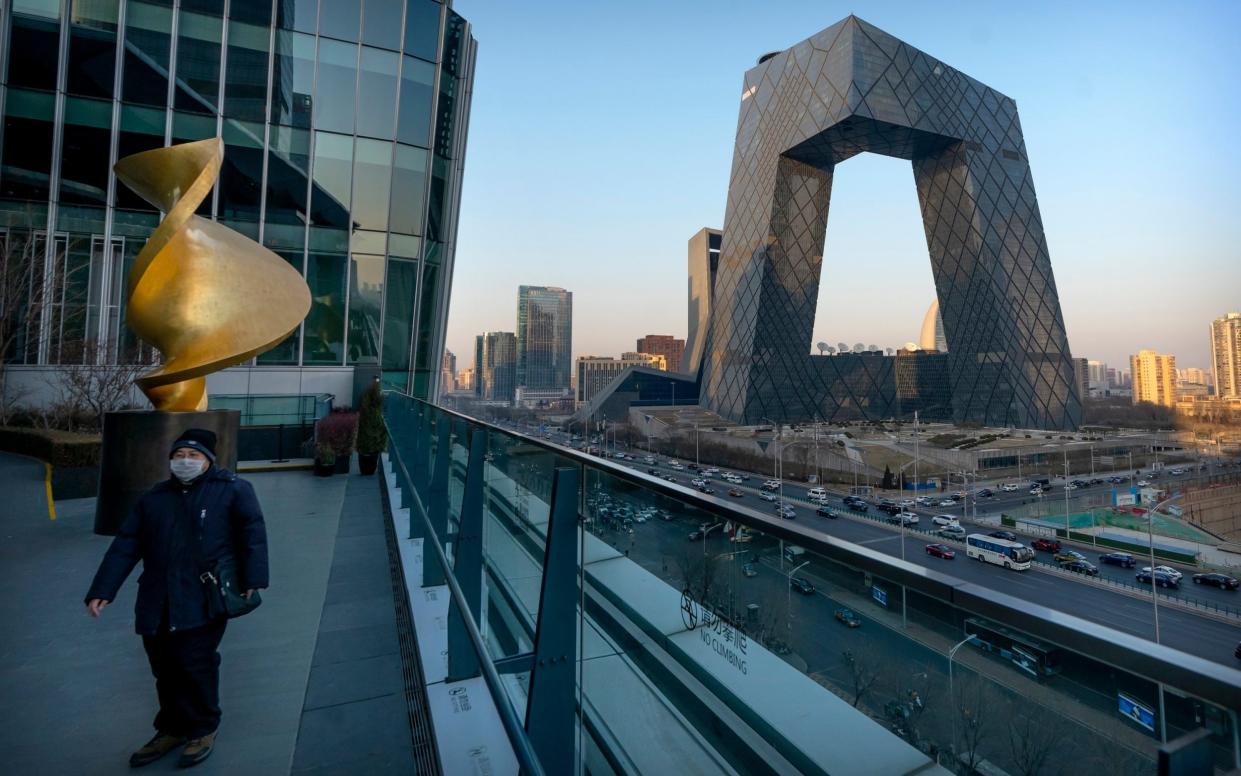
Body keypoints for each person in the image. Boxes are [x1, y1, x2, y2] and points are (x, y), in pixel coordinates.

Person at [85, 428, 268, 768]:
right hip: (156, 598)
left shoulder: (233, 491)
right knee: (164, 667)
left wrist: (253, 579)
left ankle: (203, 727)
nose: (185, 461)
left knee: (195, 663)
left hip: (204, 597)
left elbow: (252, 535)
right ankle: (171, 727)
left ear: (209, 460)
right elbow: (126, 545)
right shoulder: (154, 498)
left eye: (193, 456)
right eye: (179, 455)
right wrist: (103, 589)